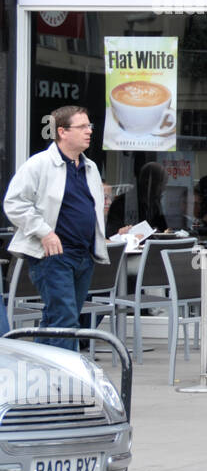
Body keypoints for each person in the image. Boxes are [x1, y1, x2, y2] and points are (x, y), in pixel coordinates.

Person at [4, 106, 112, 349]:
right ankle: (66, 378)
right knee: (65, 319)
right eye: (82, 127)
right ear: (62, 131)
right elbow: (13, 203)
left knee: (56, 318)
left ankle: (40, 370)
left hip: (83, 255)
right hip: (54, 255)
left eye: (89, 126)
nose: (89, 132)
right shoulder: (40, 164)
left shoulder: (90, 167)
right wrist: (44, 232)